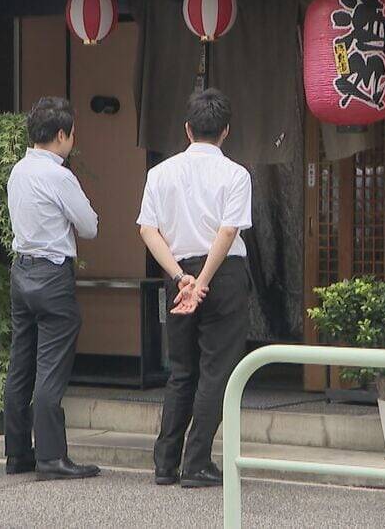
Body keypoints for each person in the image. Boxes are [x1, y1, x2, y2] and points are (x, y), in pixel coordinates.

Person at [137, 88, 252, 488]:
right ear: (226, 131)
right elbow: (228, 231)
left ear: (187, 129)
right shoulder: (236, 174)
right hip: (223, 275)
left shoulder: (160, 173)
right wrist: (202, 282)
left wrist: (180, 279)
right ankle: (197, 463)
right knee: (216, 371)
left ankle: (165, 463)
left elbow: (147, 229)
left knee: (182, 370)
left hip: (179, 274)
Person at [3, 97, 100, 481]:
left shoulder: (18, 171)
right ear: (61, 135)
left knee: (20, 363)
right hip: (52, 274)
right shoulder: (59, 176)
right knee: (50, 368)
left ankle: (17, 454)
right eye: (72, 134)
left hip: (21, 271)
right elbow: (89, 226)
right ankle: (51, 457)